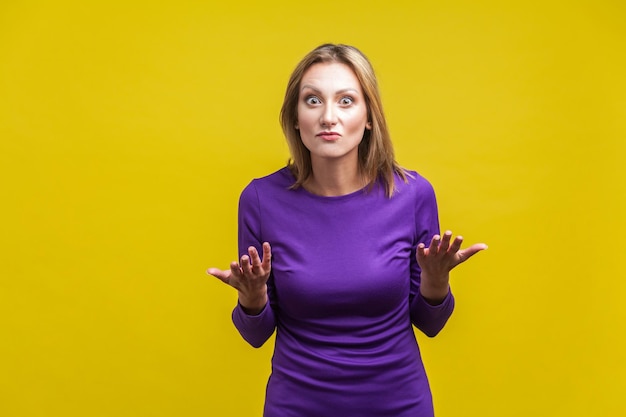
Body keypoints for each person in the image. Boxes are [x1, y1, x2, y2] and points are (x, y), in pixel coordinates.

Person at [207, 43, 487, 417]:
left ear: (369, 117)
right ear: (294, 117)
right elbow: (256, 335)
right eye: (312, 101)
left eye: (345, 101)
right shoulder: (260, 199)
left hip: (398, 404)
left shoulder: (413, 194)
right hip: (297, 406)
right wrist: (253, 297)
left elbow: (431, 324)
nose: (328, 117)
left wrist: (435, 282)